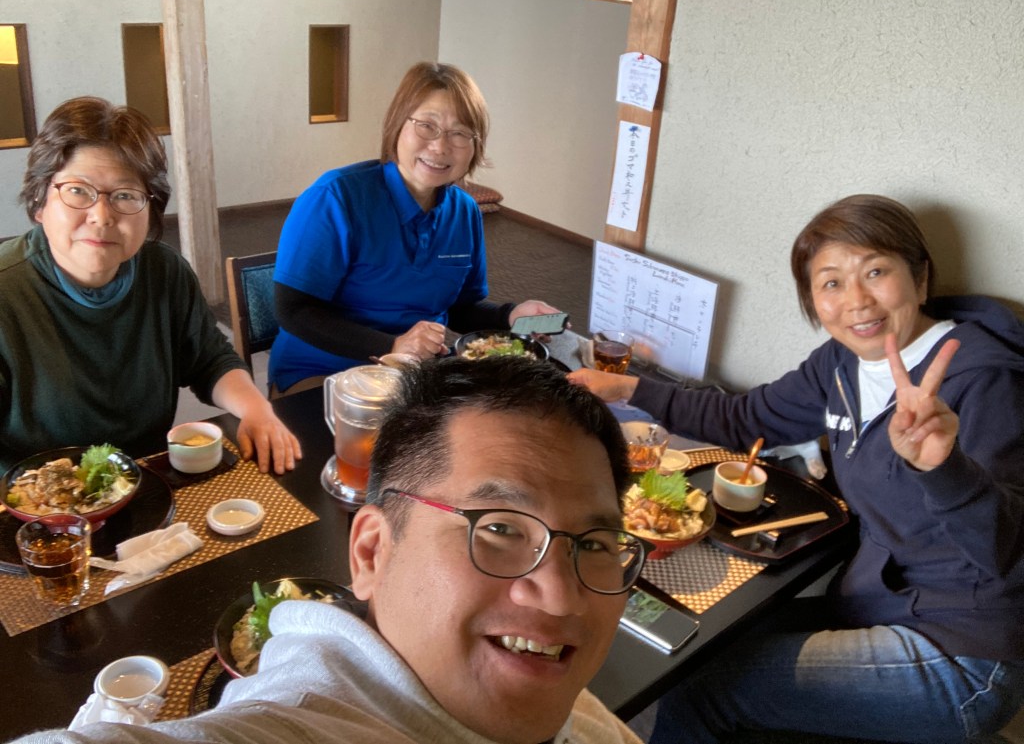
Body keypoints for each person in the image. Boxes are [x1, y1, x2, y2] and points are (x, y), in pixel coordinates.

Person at [571, 194, 1024, 743]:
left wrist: (945, 468)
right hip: (878, 605)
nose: (857, 301)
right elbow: (747, 417)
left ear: (921, 278)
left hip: (963, 653)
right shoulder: (842, 362)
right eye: (831, 282)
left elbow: (1007, 553)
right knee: (697, 646)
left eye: (876, 272)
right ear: (812, 300)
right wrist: (627, 388)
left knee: (707, 687)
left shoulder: (983, 378)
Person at [11, 357, 649, 744]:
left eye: (594, 542)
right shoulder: (301, 721)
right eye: (501, 528)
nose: (560, 596)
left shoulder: (568, 702)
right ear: (371, 552)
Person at [0, 97, 301, 475]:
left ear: (151, 210)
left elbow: (209, 358)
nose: (101, 216)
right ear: (39, 201)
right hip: (30, 499)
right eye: (77, 190)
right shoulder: (7, 292)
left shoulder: (164, 272)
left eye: (125, 195)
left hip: (149, 482)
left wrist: (257, 409)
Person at [268, 61, 561, 394]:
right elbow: (294, 310)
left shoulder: (464, 211)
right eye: (427, 125)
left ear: (475, 146)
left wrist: (511, 316)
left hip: (416, 376)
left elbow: (460, 309)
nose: (440, 146)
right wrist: (393, 346)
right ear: (397, 124)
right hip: (323, 372)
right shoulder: (335, 197)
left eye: (460, 133)